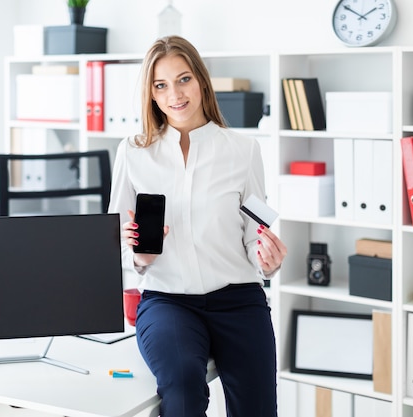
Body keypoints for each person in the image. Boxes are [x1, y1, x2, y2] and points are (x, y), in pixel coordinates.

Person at [108, 35, 287, 417]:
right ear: (151, 94)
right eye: (161, 85)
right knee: (184, 391)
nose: (175, 94)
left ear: (202, 81)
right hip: (167, 300)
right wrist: (139, 256)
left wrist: (267, 262)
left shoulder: (243, 150)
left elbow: (255, 231)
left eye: (183, 79)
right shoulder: (134, 153)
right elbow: (116, 244)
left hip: (238, 299)